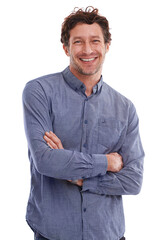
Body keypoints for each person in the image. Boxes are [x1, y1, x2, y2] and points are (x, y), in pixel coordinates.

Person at [22, 6, 144, 240]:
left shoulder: (125, 108)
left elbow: (134, 180)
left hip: (108, 234)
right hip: (52, 234)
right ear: (66, 47)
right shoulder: (39, 92)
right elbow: (46, 161)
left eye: (95, 41)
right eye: (78, 42)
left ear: (107, 46)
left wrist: (79, 178)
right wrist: (107, 162)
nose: (87, 50)